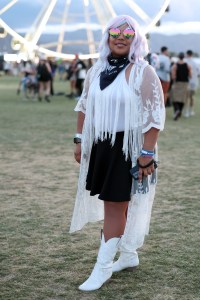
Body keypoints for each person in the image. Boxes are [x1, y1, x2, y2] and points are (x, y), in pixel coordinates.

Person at [70, 15, 165, 292]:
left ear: (136, 38)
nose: (121, 37)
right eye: (115, 32)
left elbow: (155, 116)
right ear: (107, 37)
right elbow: (84, 106)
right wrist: (79, 140)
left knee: (114, 205)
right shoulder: (97, 69)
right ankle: (128, 255)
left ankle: (102, 269)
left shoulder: (142, 71)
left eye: (127, 33)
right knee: (115, 204)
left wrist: (146, 153)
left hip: (129, 149)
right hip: (102, 145)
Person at [171, 52, 192, 120]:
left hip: (177, 83)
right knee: (183, 99)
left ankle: (176, 110)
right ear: (184, 57)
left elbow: (173, 76)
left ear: (178, 57)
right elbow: (190, 76)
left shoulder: (175, 65)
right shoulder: (188, 65)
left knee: (175, 98)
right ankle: (179, 111)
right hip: (185, 84)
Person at [184, 50, 199, 117]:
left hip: (187, 82)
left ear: (187, 54)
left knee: (187, 97)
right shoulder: (195, 63)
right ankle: (190, 111)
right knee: (191, 97)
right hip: (194, 82)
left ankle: (186, 112)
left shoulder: (185, 62)